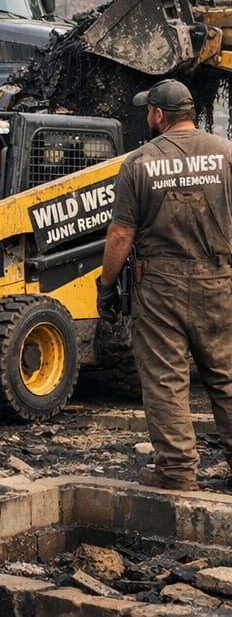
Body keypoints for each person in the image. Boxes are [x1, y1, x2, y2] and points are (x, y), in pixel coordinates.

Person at [98, 78, 232, 491]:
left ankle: (175, 471)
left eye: (148, 111)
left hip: (161, 286)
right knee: (226, 375)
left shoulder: (138, 163)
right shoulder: (226, 154)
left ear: (158, 115)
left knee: (166, 379)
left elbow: (120, 235)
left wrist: (106, 288)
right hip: (220, 279)